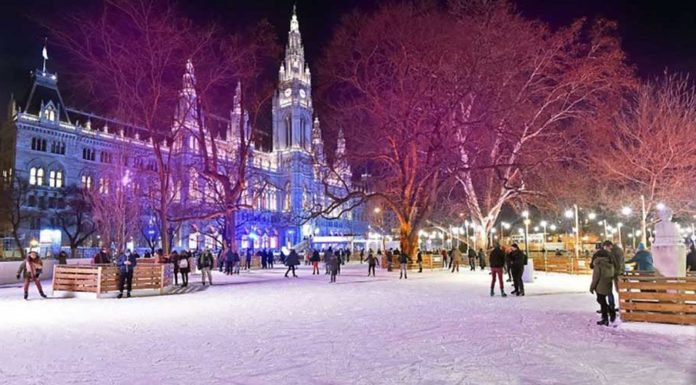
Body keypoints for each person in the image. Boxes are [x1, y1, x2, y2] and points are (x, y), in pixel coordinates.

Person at [590, 249, 616, 326]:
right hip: (608, 284)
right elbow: (613, 273)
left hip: (600, 286)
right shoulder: (610, 263)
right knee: (603, 301)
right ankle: (611, 313)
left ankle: (606, 318)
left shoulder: (598, 264)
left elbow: (595, 278)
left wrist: (592, 287)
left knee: (601, 301)